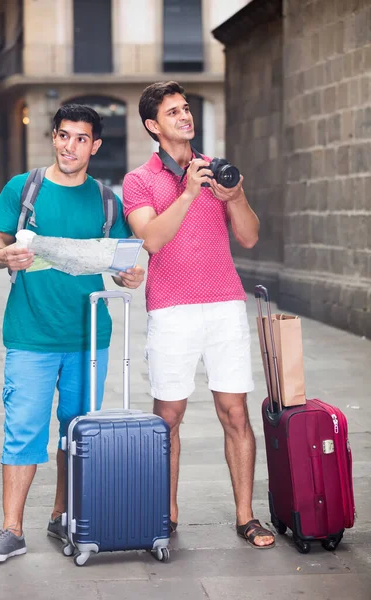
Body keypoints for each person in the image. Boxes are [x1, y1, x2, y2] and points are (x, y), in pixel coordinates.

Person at [0, 104, 144, 563]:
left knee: (78, 432)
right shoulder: (23, 188)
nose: (71, 146)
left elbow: (122, 261)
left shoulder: (108, 201)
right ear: (54, 137)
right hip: (30, 334)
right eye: (64, 136)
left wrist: (130, 277)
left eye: (81, 138)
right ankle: (12, 530)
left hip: (89, 337)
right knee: (22, 430)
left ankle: (63, 516)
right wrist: (3, 255)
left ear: (95, 145)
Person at [122, 81, 275, 549]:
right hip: (172, 309)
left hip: (226, 303)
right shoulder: (140, 180)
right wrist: (187, 194)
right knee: (169, 416)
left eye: (186, 108)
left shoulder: (216, 170)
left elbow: (248, 237)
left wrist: (234, 198)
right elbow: (151, 240)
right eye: (173, 111)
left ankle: (246, 517)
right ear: (154, 125)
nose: (184, 116)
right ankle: (166, 516)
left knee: (236, 413)